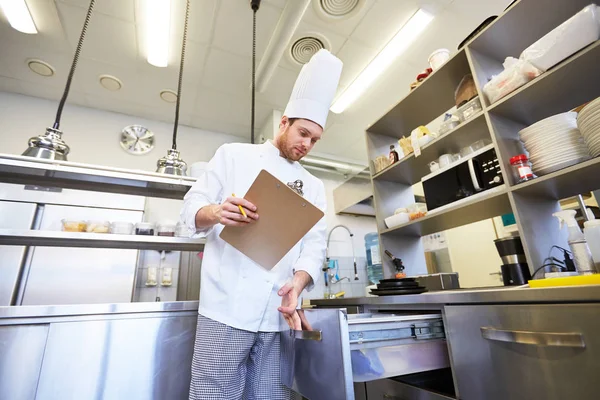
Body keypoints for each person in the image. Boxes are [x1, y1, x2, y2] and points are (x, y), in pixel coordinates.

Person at [182, 49, 343, 400]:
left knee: (272, 396)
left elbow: (314, 246)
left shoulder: (314, 187)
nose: (307, 145)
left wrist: (298, 284)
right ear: (284, 122)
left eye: (314, 140)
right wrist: (216, 212)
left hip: (277, 315)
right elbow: (191, 208)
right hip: (224, 309)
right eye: (302, 133)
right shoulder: (233, 155)